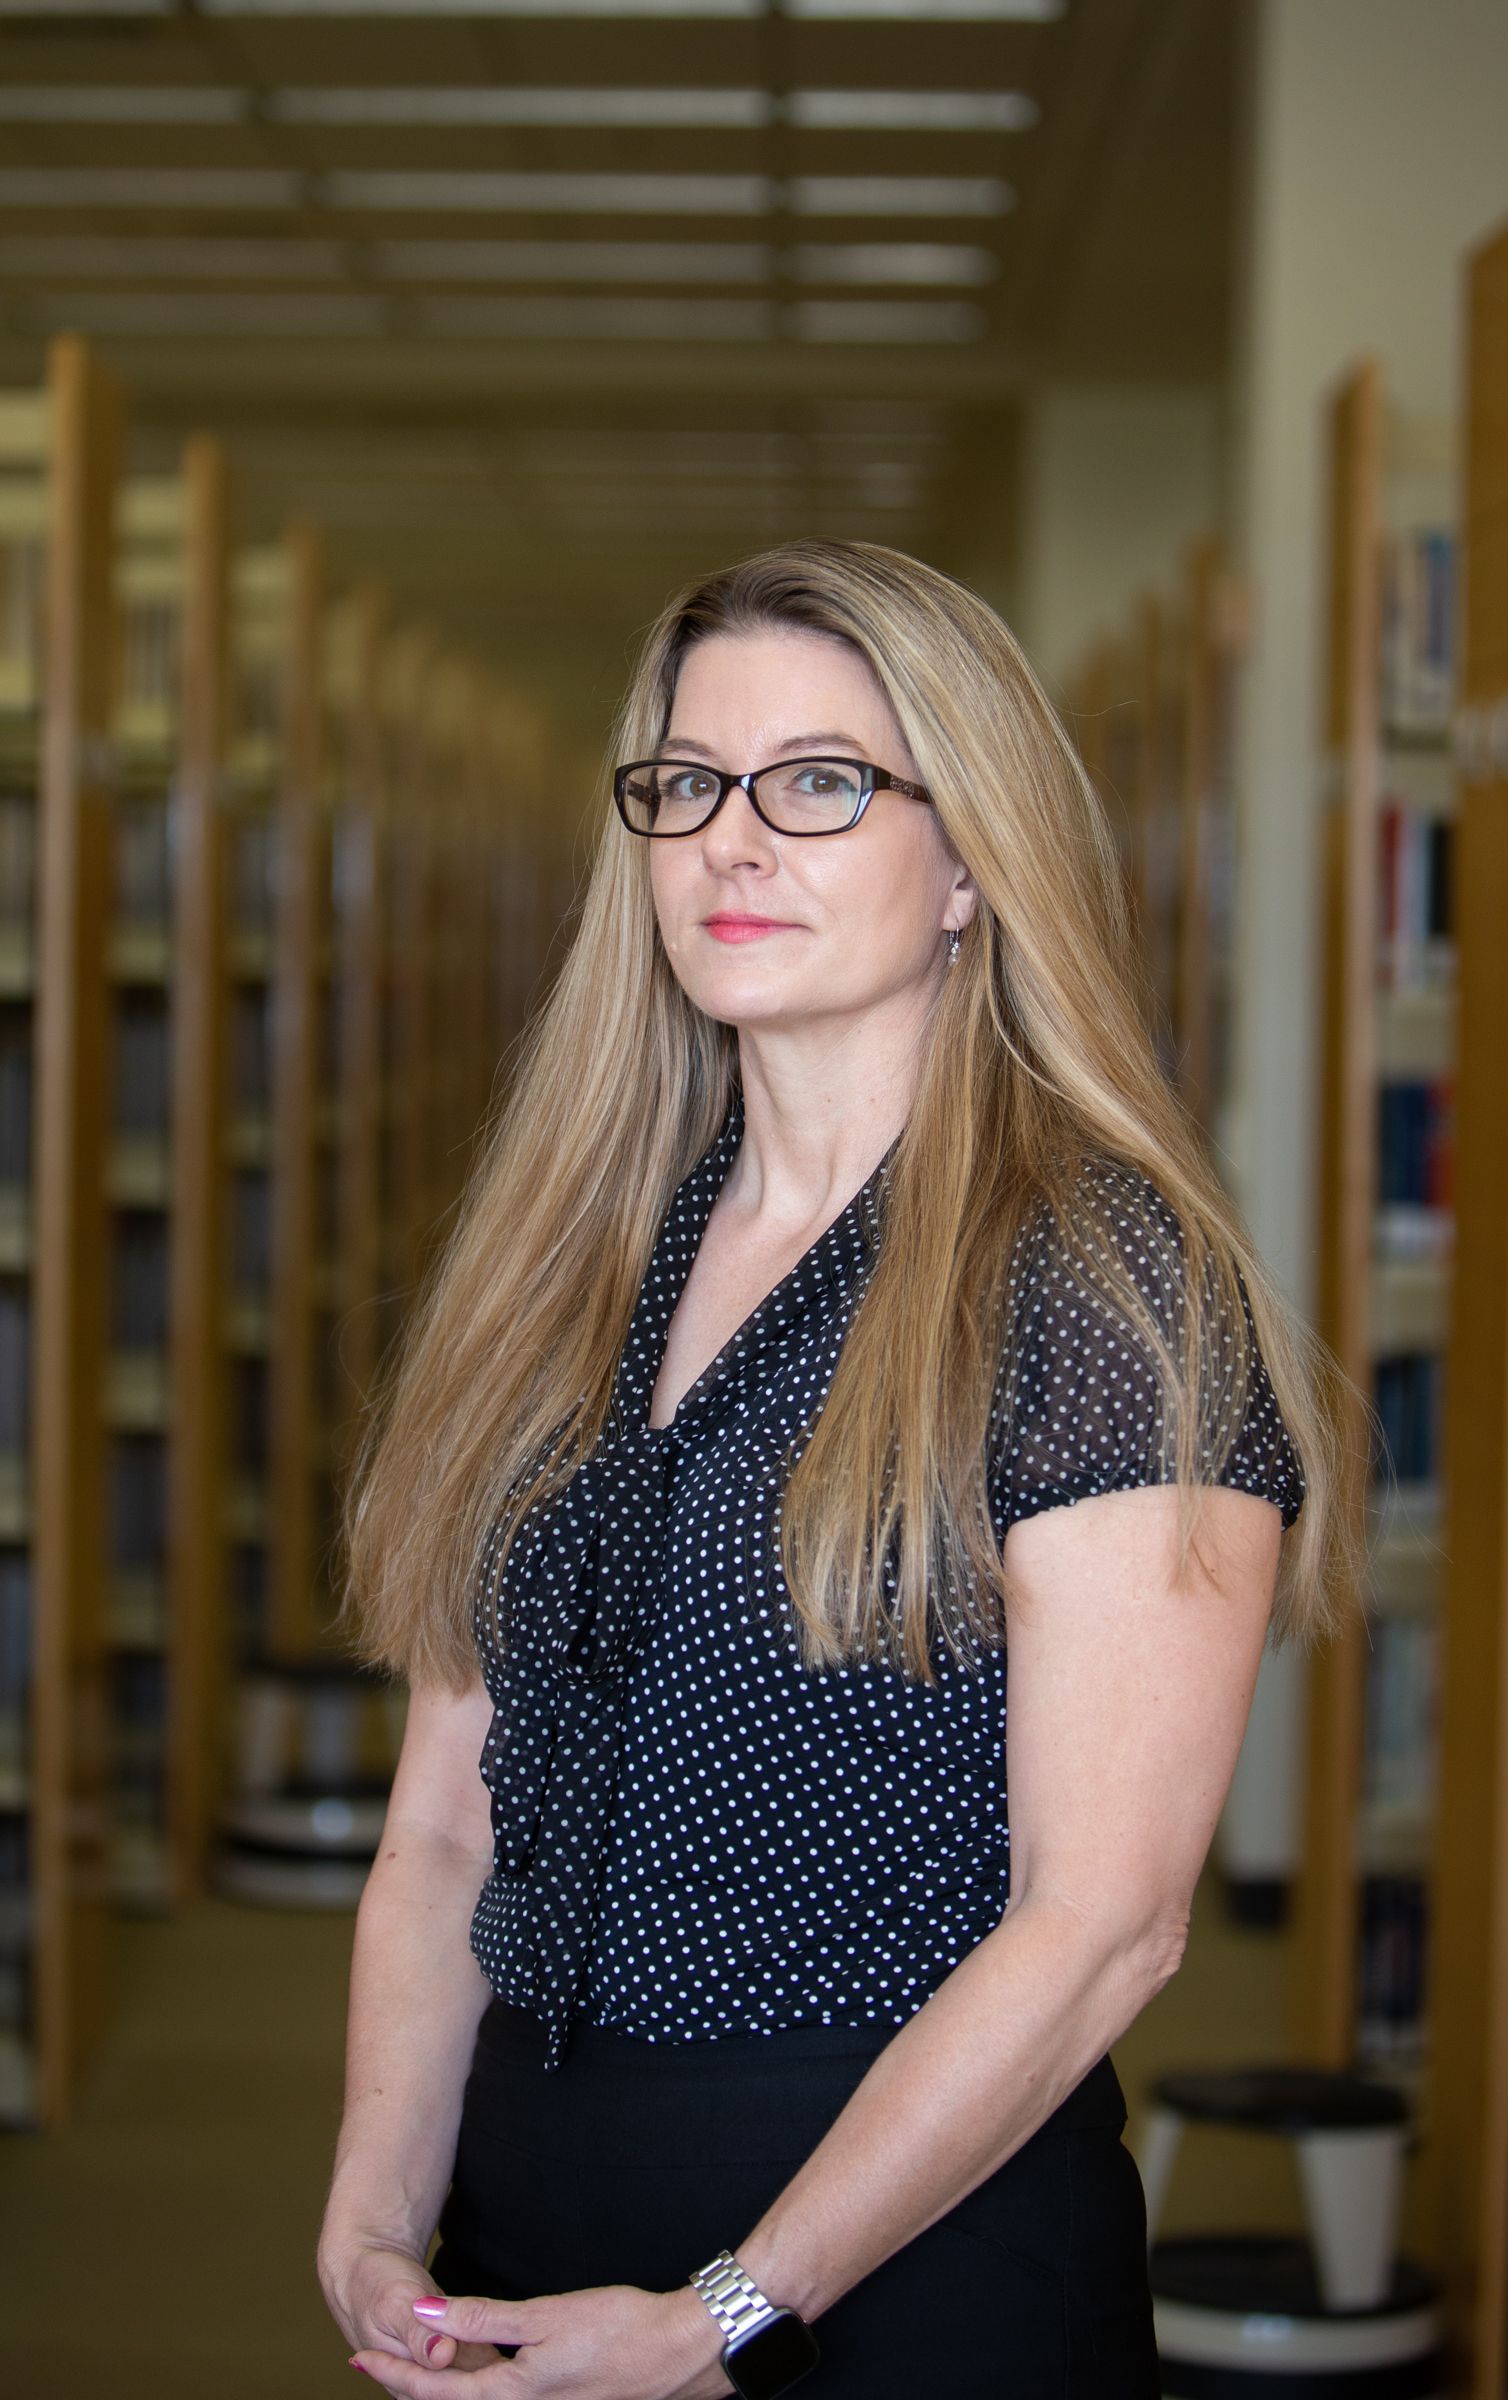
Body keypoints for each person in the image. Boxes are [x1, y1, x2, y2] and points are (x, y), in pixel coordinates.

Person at [316, 539, 1360, 2399]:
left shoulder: (1104, 1292)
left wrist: (728, 2311)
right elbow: (447, 1829)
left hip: (900, 2267)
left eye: (819, 785)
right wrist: (375, 2215)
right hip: (524, 2233)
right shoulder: (573, 1264)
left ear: (972, 860)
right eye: (687, 786)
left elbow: (1104, 1925)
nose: (732, 841)